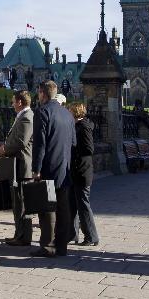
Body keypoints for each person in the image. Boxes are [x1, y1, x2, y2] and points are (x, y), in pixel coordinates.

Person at [30, 80, 76, 258]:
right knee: (63, 208)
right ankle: (62, 245)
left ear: (42, 93)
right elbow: (73, 143)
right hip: (64, 168)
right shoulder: (67, 114)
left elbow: (40, 144)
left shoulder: (42, 111)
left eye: (39, 93)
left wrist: (36, 168)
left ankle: (48, 246)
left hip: (48, 167)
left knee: (47, 209)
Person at [2, 90, 34, 246]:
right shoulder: (22, 116)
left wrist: (4, 149)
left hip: (22, 166)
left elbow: (21, 141)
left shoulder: (27, 117)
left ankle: (23, 236)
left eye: (13, 101)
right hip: (17, 164)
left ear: (20, 102)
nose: (12, 104)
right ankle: (19, 234)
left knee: (21, 202)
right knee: (18, 202)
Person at [68, 102, 99, 246]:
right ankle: (72, 234)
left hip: (82, 170)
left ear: (75, 112)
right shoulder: (77, 126)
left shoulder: (83, 127)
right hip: (77, 170)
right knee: (73, 204)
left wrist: (74, 150)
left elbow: (89, 149)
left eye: (70, 111)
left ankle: (91, 236)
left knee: (83, 205)